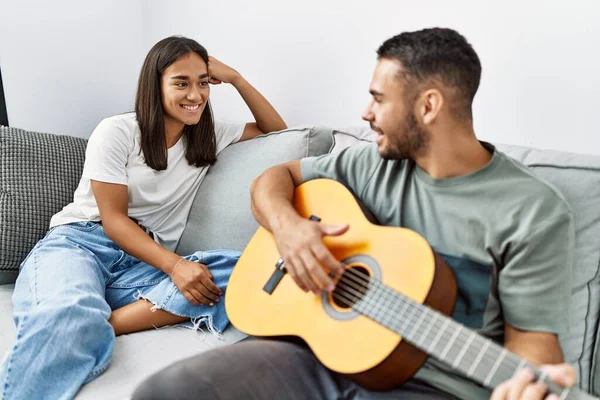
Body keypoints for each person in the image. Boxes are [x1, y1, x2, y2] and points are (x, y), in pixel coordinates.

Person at [131, 28, 576, 400]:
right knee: (167, 391)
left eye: (378, 99)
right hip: (312, 354)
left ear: (429, 106)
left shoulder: (532, 209)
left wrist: (528, 387)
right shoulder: (373, 164)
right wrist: (289, 230)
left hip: (433, 385)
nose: (365, 114)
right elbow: (272, 179)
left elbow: (532, 341)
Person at [0, 36, 286, 400]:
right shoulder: (117, 131)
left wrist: (238, 79)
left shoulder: (209, 135)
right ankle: (83, 322)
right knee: (66, 316)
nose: (195, 94)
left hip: (141, 261)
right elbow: (113, 221)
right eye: (181, 83)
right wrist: (176, 266)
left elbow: (278, 132)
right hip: (80, 243)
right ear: (155, 84)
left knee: (248, 270)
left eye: (202, 82)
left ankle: (103, 324)